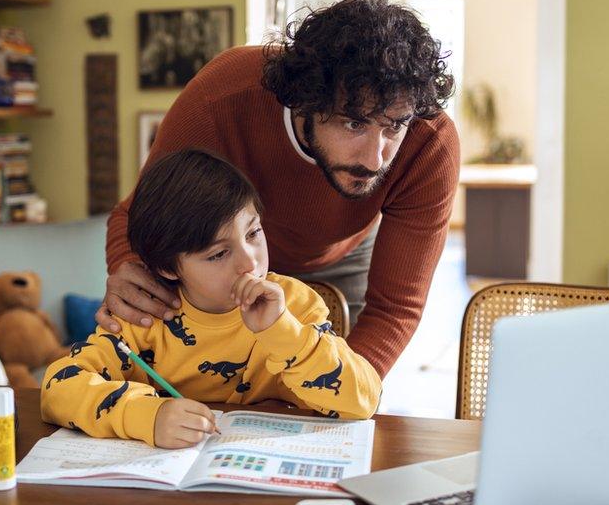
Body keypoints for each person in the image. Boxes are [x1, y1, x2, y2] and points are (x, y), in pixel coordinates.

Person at [99, 0, 459, 379]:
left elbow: (394, 309)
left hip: (343, 257)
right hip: (222, 258)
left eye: (393, 127)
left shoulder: (430, 143)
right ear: (305, 100)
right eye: (354, 124)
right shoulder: (220, 99)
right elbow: (137, 215)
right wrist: (129, 268)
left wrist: (342, 393)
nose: (375, 160)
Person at [42, 150, 381, 449]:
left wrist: (284, 331)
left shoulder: (296, 304)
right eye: (219, 254)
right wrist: (145, 416)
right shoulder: (144, 318)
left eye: (253, 233)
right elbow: (58, 387)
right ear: (167, 267)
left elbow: (364, 400)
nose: (249, 262)